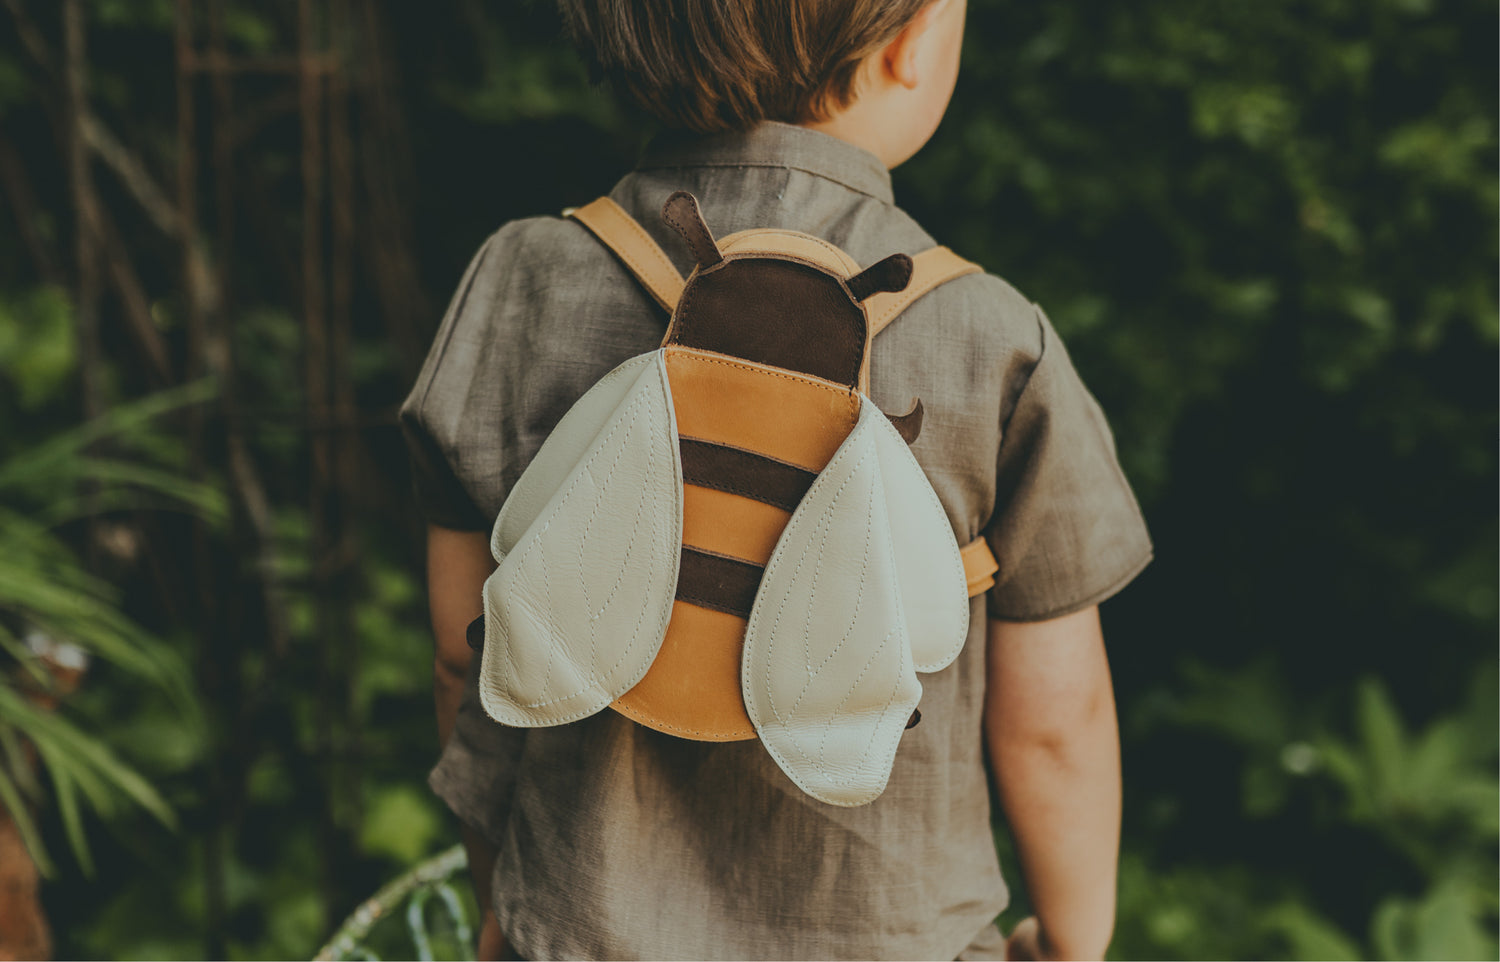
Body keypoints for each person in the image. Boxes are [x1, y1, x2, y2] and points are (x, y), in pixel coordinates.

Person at [399, 1, 1152, 958]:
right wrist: (1075, 940)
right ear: (913, 40)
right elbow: (1055, 723)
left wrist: (503, 897)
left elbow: (465, 655)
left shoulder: (523, 279)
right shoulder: (995, 341)